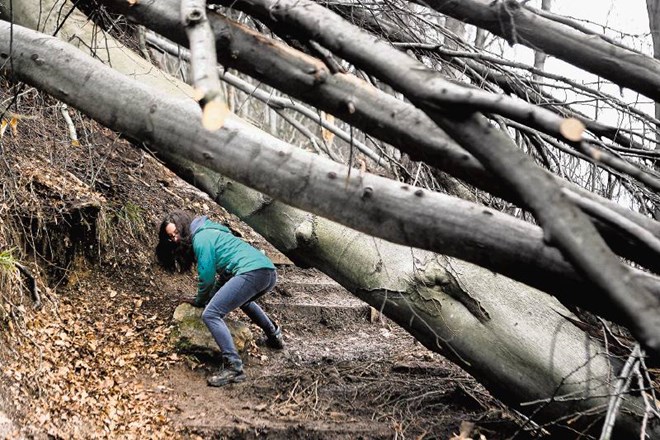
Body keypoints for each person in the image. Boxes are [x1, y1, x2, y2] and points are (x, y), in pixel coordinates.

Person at [156, 210, 284, 387]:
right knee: (243, 301)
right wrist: (213, 297)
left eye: (176, 233)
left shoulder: (201, 239)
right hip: (267, 273)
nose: (175, 239)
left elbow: (207, 278)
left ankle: (234, 368)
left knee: (210, 315)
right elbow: (225, 279)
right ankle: (274, 335)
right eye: (171, 237)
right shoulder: (212, 232)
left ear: (184, 226)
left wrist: (201, 301)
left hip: (252, 272)